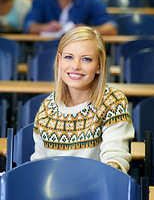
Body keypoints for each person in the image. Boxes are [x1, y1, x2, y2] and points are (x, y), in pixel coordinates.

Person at [31, 26, 135, 174]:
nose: (76, 66)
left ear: (99, 66)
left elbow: (115, 162)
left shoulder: (113, 101)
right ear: (59, 61)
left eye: (86, 59)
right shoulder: (47, 107)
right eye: (69, 57)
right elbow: (38, 166)